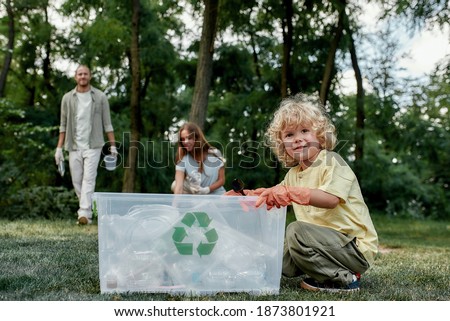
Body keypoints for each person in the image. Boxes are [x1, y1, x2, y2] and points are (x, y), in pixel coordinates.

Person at [226, 93, 378, 293]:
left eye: (304, 131)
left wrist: (289, 194)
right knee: (278, 259)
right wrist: (248, 195)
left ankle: (345, 278)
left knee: (295, 231)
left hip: (354, 248)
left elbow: (330, 199)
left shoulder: (332, 161)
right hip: (324, 246)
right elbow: (276, 193)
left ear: (320, 136)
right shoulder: (293, 174)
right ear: (283, 144)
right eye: (289, 135)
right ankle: (244, 272)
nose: (297, 139)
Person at [54, 65, 117, 225]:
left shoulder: (100, 97)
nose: (83, 76)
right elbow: (63, 125)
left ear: (90, 76)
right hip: (73, 146)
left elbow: (107, 124)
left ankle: (84, 213)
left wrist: (113, 146)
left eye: (85, 74)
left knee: (89, 179)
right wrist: (59, 148)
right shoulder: (67, 98)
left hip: (93, 145)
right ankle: (89, 207)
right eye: (80, 74)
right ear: (75, 77)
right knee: (77, 180)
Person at [172, 122, 226, 195]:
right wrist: (174, 206)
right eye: (183, 139)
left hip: (217, 197)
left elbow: (222, 180)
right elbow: (178, 187)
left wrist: (207, 190)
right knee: (174, 185)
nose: (185, 142)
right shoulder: (183, 160)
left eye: (189, 138)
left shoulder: (214, 154)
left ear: (196, 137)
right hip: (199, 199)